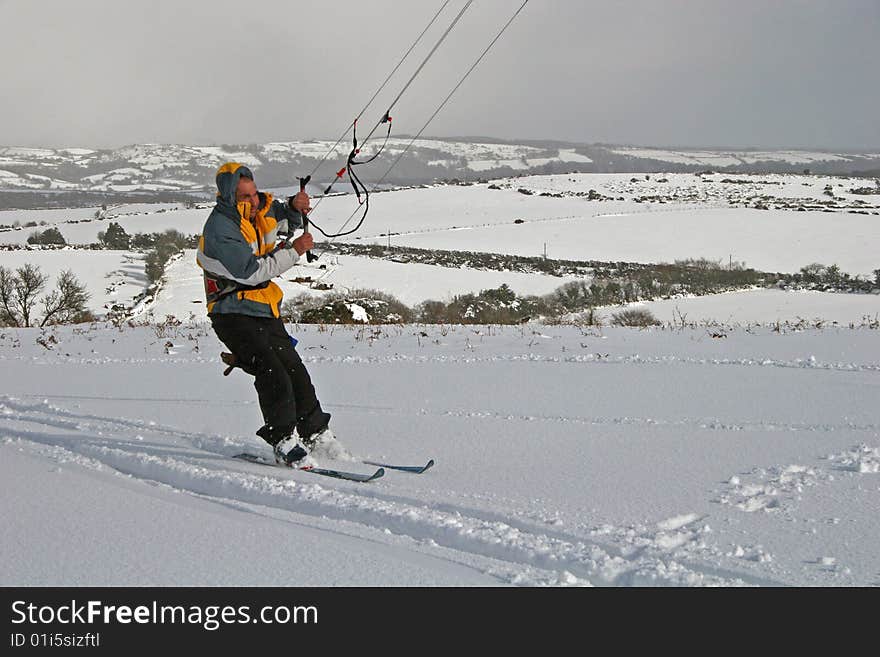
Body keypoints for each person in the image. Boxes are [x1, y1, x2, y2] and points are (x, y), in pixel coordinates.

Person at [197, 162, 333, 466]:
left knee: (295, 370)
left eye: (254, 193)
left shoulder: (259, 211)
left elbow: (281, 220)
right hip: (230, 312)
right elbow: (252, 272)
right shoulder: (221, 229)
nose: (253, 200)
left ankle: (317, 435)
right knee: (273, 371)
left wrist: (294, 208)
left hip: (262, 308)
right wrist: (295, 251)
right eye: (245, 196)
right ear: (230, 197)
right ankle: (284, 440)